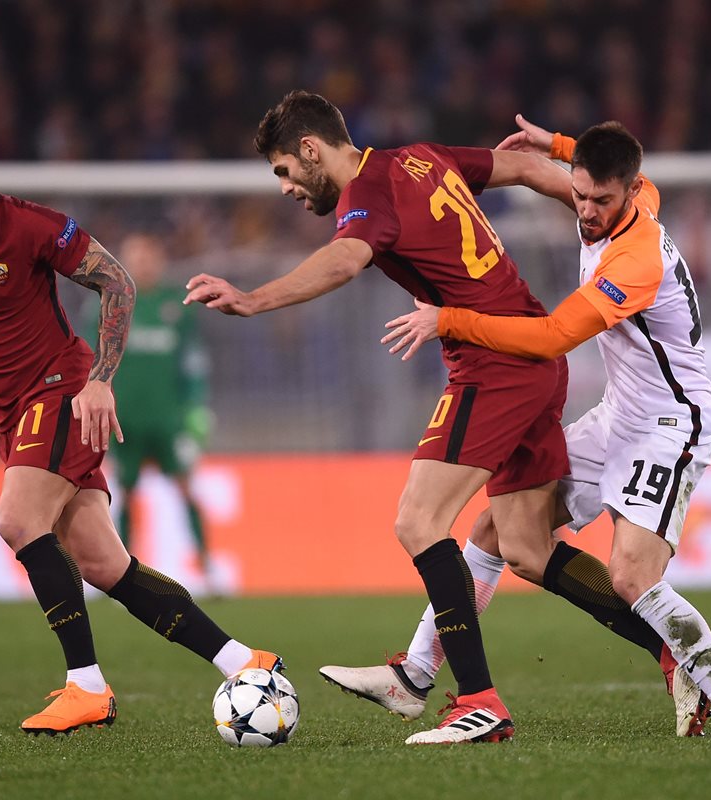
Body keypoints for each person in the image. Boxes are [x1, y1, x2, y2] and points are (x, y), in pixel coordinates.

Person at [333, 116, 711, 738]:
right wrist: (556, 146)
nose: (587, 211)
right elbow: (589, 173)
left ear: (630, 193)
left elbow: (552, 337)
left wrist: (452, 321)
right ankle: (414, 675)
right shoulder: (630, 192)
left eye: (602, 200)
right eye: (580, 194)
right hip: (618, 415)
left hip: (670, 424)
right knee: (499, 530)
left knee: (631, 575)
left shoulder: (634, 260)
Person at [184, 90, 586, 745]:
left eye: (284, 171)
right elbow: (530, 170)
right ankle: (677, 655)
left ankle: (478, 700)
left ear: (311, 150)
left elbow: (345, 260)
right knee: (528, 549)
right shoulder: (422, 158)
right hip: (532, 346)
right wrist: (598, 213)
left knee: (419, 520)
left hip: (496, 361)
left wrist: (254, 299)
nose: (285, 187)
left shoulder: (366, 192)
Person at [0, 122, 279, 737]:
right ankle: (243, 661)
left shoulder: (27, 224)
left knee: (17, 521)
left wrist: (100, 378)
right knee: (102, 564)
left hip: (60, 389)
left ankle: (86, 686)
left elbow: (117, 280)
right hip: (7, 411)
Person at [89, 232, 218, 589]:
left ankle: (207, 568)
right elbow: (89, 360)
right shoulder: (108, 304)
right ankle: (120, 575)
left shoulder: (176, 305)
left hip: (168, 420)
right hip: (124, 420)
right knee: (123, 493)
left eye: (148, 257)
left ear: (159, 260)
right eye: (136, 257)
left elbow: (193, 364)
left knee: (185, 487)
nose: (143, 264)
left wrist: (195, 411)